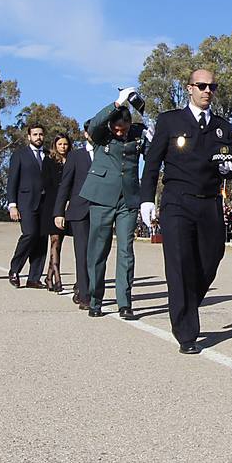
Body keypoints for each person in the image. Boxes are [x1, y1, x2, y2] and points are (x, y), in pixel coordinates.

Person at [140, 69, 232, 353]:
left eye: (212, 86)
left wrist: (229, 170)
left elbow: (229, 161)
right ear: (189, 88)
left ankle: (185, 302)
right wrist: (147, 199)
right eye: (202, 86)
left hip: (209, 202)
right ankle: (186, 333)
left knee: (211, 257)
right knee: (180, 262)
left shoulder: (223, 127)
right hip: (177, 201)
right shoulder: (170, 121)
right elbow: (152, 163)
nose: (207, 90)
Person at [80, 93, 147, 320]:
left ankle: (125, 303)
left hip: (127, 198)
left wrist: (154, 137)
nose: (121, 132)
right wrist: (118, 102)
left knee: (126, 251)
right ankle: (95, 299)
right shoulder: (101, 135)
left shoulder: (138, 135)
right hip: (101, 197)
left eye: (124, 128)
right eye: (117, 128)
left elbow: (152, 154)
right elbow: (96, 123)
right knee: (98, 250)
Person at [54, 123, 95, 310]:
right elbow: (65, 185)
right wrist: (59, 212)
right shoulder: (76, 156)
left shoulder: (108, 153)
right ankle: (86, 296)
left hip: (101, 211)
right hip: (79, 212)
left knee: (96, 255)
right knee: (82, 253)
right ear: (86, 134)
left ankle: (85, 287)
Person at [6, 122, 49, 289]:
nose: (39, 137)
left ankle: (34, 277)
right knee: (29, 234)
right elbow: (12, 181)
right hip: (26, 202)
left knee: (41, 239)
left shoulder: (48, 154)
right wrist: (12, 205)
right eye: (35, 134)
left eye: (41, 134)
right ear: (29, 136)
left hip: (46, 205)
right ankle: (14, 270)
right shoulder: (19, 155)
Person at [40, 133, 71, 293]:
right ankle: (57, 277)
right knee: (54, 241)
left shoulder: (72, 160)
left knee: (59, 243)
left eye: (65, 144)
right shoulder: (49, 161)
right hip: (52, 206)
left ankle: (48, 276)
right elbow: (46, 183)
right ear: (55, 145)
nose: (63, 147)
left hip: (68, 207)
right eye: (60, 144)